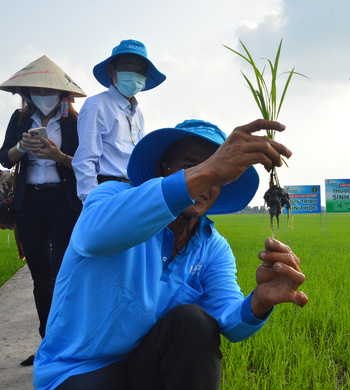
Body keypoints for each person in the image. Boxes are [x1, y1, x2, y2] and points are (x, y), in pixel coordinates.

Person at [34, 118, 308, 389]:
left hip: (146, 366)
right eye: (191, 166)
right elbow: (95, 236)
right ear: (161, 169)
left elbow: (227, 320)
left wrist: (260, 300)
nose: (206, 183)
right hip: (78, 370)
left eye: (218, 176)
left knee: (194, 322)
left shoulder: (212, 246)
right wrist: (209, 170)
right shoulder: (111, 197)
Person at [0, 55, 86, 365]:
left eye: (48, 90)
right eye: (35, 90)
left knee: (65, 273)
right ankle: (48, 345)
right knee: (41, 276)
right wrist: (22, 148)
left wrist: (58, 155)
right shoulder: (20, 120)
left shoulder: (75, 122)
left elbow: (87, 165)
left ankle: (71, 342)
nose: (42, 95)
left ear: (63, 94)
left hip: (63, 202)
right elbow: (5, 158)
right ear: (27, 93)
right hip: (30, 202)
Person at [72, 39, 166, 203]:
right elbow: (85, 159)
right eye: (127, 68)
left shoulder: (138, 113)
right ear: (111, 70)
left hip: (133, 190)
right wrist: (92, 202)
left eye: (140, 71)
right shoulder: (97, 105)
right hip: (107, 190)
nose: (134, 74)